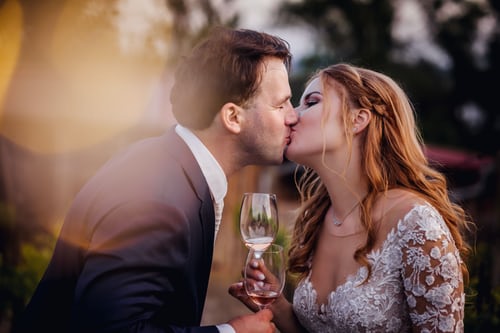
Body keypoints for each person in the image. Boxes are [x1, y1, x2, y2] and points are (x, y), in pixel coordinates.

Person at [15, 26, 298, 333]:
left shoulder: (169, 166)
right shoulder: (158, 201)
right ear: (232, 117)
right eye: (280, 104)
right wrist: (231, 332)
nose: (292, 116)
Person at [229, 63, 473, 332]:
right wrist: (276, 306)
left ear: (358, 120)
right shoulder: (318, 220)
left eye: (311, 102)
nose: (291, 117)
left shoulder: (415, 222)